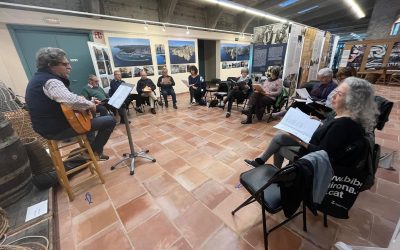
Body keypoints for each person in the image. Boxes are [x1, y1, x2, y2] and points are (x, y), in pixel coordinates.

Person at [244, 77, 379, 169]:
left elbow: (322, 154)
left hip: (314, 158)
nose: (333, 96)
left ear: (353, 100)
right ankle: (263, 163)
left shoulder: (343, 125)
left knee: (279, 145)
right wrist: (320, 122)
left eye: (339, 93)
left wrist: (300, 140)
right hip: (316, 143)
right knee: (280, 136)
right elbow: (331, 137)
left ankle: (277, 170)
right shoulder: (347, 117)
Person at [25, 47, 115, 160]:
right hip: (55, 129)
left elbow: (65, 101)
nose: (70, 67)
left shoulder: (39, 78)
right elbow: (71, 100)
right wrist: (91, 105)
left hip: (47, 126)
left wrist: (89, 102)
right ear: (50, 65)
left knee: (88, 120)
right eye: (65, 64)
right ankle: (92, 153)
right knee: (110, 121)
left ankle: (94, 151)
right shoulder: (51, 81)